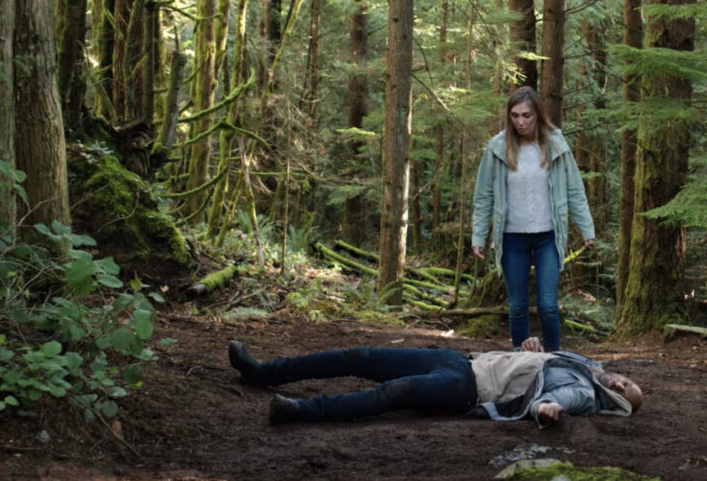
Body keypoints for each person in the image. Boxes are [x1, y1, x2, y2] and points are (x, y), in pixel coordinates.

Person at [228, 338, 642, 426]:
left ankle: (300, 411)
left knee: (396, 393)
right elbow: (528, 368)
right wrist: (528, 347)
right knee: (361, 357)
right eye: (627, 379)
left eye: (624, 393)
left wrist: (549, 409)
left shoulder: (583, 391)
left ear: (615, 400)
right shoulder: (582, 364)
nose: (621, 383)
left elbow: (553, 399)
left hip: (468, 389)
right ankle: (265, 372)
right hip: (460, 360)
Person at [472, 86, 595, 352]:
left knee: (548, 305)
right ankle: (519, 361)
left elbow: (575, 189)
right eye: (515, 116)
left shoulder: (556, 146)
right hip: (511, 238)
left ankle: (554, 358)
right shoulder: (496, 148)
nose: (521, 122)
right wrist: (478, 235)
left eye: (526, 115)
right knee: (517, 306)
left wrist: (586, 229)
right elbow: (483, 196)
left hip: (547, 236)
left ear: (537, 114)